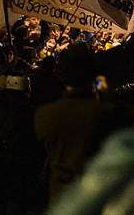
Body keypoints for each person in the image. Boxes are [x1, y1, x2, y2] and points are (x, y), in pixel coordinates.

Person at [34, 45, 113, 203]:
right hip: (96, 198)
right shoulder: (109, 114)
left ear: (62, 75)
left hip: (61, 197)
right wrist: (101, 86)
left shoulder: (45, 114)